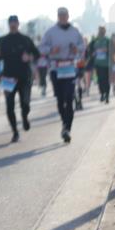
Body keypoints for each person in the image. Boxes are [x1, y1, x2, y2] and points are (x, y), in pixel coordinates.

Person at [40, 8, 86, 143]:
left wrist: (76, 49)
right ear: (58, 17)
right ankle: (64, 122)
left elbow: (83, 47)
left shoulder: (75, 31)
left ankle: (67, 129)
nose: (63, 17)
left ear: (68, 16)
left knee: (69, 97)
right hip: (56, 68)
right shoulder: (50, 32)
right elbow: (41, 48)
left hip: (70, 67)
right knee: (60, 100)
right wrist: (51, 50)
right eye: (60, 15)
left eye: (65, 15)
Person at [0, 15, 40, 143]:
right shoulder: (3, 40)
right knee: (9, 107)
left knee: (25, 103)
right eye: (11, 23)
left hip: (24, 76)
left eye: (15, 22)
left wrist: (29, 57)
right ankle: (15, 132)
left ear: (18, 24)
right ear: (9, 25)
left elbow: (37, 54)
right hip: (8, 77)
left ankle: (25, 117)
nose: (13, 25)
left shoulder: (25, 39)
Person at [87, 26, 112, 104]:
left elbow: (113, 50)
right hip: (98, 64)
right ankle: (102, 94)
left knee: (106, 80)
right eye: (100, 30)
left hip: (107, 64)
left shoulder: (107, 40)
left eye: (103, 30)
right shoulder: (95, 40)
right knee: (100, 80)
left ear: (105, 31)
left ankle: (107, 96)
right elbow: (89, 49)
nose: (101, 32)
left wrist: (107, 50)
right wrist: (93, 52)